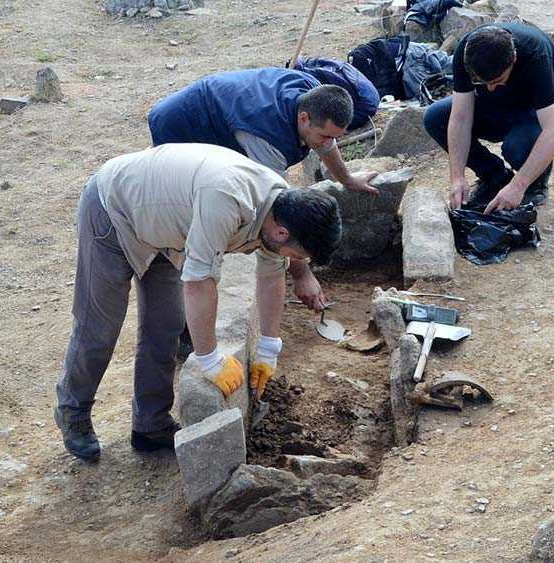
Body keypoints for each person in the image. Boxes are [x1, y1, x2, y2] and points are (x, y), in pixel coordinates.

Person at [54, 143, 341, 462]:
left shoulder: (284, 203)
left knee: (165, 327)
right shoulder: (226, 200)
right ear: (282, 231)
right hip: (114, 212)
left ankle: (150, 424)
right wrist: (210, 359)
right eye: (298, 255)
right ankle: (73, 411)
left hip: (168, 232)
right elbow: (199, 283)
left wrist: (269, 348)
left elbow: (272, 274)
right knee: (100, 326)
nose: (296, 262)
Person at [148, 67, 377, 311]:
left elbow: (324, 144)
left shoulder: (312, 93)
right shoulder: (268, 141)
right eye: (324, 135)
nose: (328, 142)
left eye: (335, 136)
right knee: (194, 220)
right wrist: (302, 275)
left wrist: (347, 179)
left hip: (223, 110)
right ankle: (185, 307)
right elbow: (280, 212)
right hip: (183, 124)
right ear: (303, 118)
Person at [422, 23, 554, 213]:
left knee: (517, 147)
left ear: (513, 59)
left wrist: (518, 186)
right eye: (481, 82)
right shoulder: (467, 52)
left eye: (497, 81)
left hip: (550, 111)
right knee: (436, 118)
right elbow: (460, 118)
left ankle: (534, 185)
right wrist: (457, 177)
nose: (488, 87)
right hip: (501, 105)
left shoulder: (535, 52)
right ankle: (495, 177)